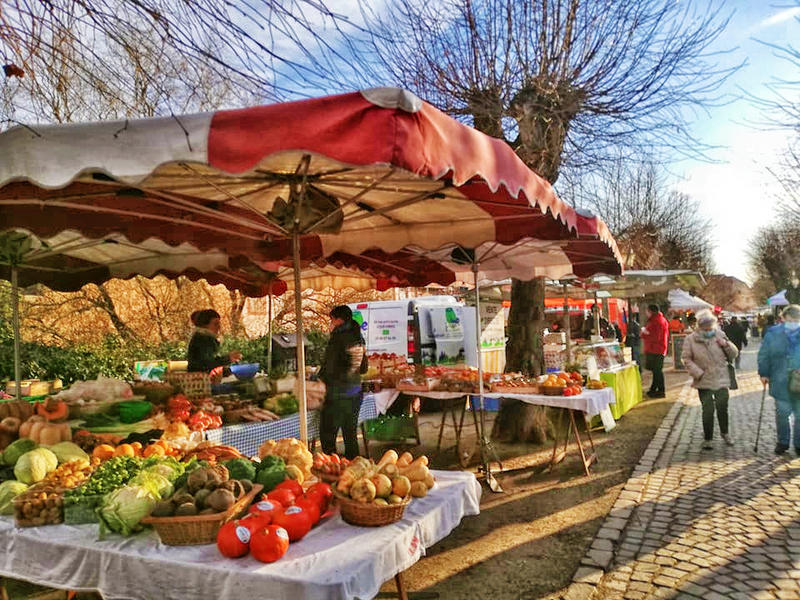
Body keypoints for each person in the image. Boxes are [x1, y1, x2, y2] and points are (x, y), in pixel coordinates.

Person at [682, 309, 739, 450]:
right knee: (707, 410)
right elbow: (686, 359)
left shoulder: (720, 334)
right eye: (705, 328)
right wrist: (698, 373)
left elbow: (734, 354)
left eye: (710, 327)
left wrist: (726, 345)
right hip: (703, 380)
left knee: (722, 408)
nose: (708, 330)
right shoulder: (690, 339)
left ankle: (725, 433)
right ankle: (708, 438)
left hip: (721, 378)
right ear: (699, 326)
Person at [318, 305, 368, 459]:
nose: (330, 323)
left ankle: (330, 466)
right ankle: (354, 466)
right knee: (350, 433)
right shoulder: (358, 336)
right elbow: (364, 367)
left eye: (331, 319)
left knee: (328, 435)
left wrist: (316, 379)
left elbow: (329, 369)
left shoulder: (338, 338)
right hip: (355, 392)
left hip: (338, 393)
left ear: (338, 320)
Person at [758, 305, 800, 455]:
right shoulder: (773, 333)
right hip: (780, 379)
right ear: (783, 319)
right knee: (783, 413)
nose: (793, 323)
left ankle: (799, 444)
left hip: (799, 380)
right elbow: (764, 354)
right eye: (790, 320)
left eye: (796, 320)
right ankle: (783, 442)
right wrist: (763, 373)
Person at [641, 304, 669, 398]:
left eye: (647, 311)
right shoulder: (658, 320)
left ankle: (661, 391)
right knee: (656, 371)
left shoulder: (657, 321)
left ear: (651, 311)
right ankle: (654, 389)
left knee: (657, 371)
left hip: (656, 349)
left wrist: (645, 333)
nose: (646, 313)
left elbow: (655, 337)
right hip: (657, 349)